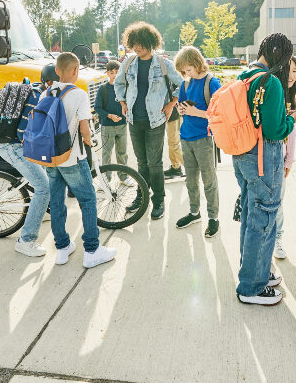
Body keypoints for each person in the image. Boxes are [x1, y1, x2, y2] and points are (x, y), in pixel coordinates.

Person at [234, 33, 296, 306]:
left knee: (251, 216)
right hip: (264, 158)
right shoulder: (272, 82)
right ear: (280, 53)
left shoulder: (246, 74)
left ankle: (253, 270)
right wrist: (293, 120)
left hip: (242, 154)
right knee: (264, 219)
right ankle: (252, 287)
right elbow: (276, 130)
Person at [42, 52, 117, 268]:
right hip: (73, 158)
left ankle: (62, 247)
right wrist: (90, 140)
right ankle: (92, 250)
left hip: (51, 158)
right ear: (75, 70)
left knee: (56, 202)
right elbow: (85, 128)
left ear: (56, 71)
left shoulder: (45, 92)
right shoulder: (79, 94)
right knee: (87, 199)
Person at [114, 22, 183, 220]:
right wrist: (122, 102)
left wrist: (171, 104)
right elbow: (118, 84)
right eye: (134, 44)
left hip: (156, 121)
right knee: (141, 163)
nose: (137, 48)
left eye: (141, 44)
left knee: (154, 163)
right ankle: (142, 196)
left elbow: (182, 84)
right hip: (134, 120)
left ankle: (158, 200)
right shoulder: (128, 63)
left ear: (150, 43)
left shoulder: (163, 64)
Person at [0, 68, 56, 257]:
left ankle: (39, 211)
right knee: (43, 188)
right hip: (13, 148)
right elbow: (23, 132)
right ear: (49, 83)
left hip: (15, 146)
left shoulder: (38, 94)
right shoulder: (36, 98)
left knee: (46, 172)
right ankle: (26, 240)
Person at [173, 46, 222, 238]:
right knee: (190, 180)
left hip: (204, 138)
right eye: (184, 72)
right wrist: (181, 109)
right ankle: (195, 213)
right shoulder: (187, 84)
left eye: (188, 69)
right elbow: (182, 106)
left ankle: (213, 218)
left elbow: (219, 113)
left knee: (209, 180)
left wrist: (197, 112)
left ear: (196, 62)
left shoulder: (212, 82)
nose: (187, 74)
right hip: (186, 137)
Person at [273, 56, 296, 259]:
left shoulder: (290, 93)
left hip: (281, 159)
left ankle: (277, 238)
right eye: (288, 70)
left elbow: (290, 132)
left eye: (295, 70)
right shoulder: (273, 92)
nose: (292, 75)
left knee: (279, 202)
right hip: (267, 157)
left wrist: (289, 159)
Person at [94, 60, 131, 184]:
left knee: (122, 152)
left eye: (117, 72)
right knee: (107, 153)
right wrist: (109, 115)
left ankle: (124, 177)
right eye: (111, 72)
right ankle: (106, 179)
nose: (114, 75)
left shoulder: (125, 88)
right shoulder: (103, 89)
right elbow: (97, 108)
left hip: (122, 125)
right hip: (107, 126)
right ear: (107, 73)